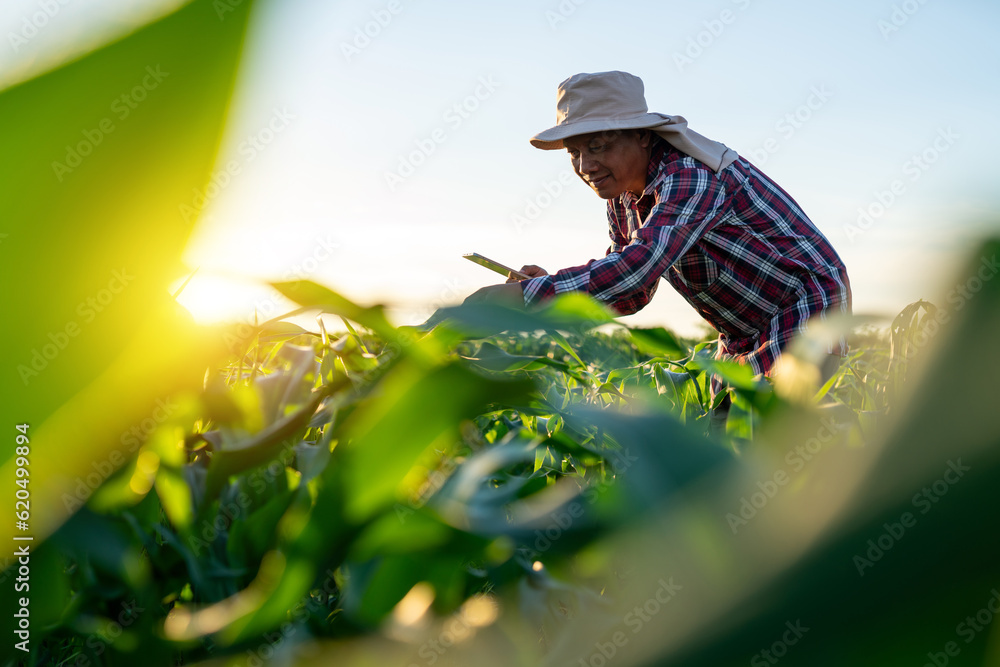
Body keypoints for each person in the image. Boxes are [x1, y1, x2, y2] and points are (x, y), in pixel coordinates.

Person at [461, 70, 852, 386]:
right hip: (740, 332)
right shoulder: (622, 196)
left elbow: (633, 274)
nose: (584, 167)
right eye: (575, 153)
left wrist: (522, 298)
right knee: (722, 444)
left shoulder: (690, 177)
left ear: (644, 136)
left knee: (765, 442)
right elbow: (633, 293)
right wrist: (541, 291)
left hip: (804, 306)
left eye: (597, 146)